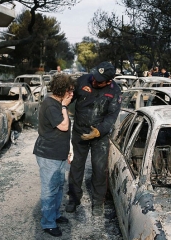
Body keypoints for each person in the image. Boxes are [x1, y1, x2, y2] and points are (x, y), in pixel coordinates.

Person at [66, 61, 122, 216]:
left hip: (99, 137)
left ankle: (98, 202)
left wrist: (98, 131)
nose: (94, 81)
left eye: (99, 80)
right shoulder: (83, 80)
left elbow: (112, 116)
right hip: (79, 133)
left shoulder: (115, 91)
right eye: (94, 76)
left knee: (99, 169)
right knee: (76, 167)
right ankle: (74, 199)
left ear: (109, 81)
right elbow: (68, 98)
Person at [33, 74, 74, 237]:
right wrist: (64, 107)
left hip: (59, 153)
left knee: (58, 187)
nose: (72, 94)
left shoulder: (56, 102)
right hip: (49, 154)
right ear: (62, 90)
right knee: (50, 189)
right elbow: (64, 126)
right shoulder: (52, 105)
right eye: (70, 90)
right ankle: (48, 223)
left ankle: (55, 215)